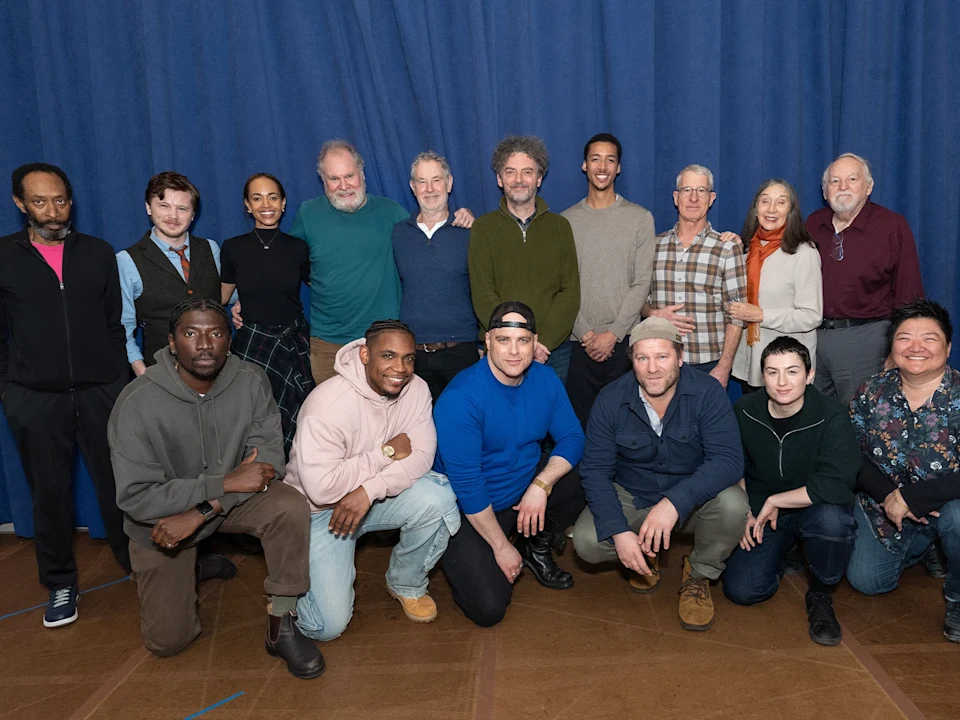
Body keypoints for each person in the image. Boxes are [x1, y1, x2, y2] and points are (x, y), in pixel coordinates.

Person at [109, 298, 324, 678]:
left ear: (230, 339)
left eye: (216, 333)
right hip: (161, 521)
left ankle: (282, 623)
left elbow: (267, 462)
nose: (205, 344)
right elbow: (137, 498)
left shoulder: (251, 379)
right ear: (172, 343)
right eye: (191, 333)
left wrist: (205, 509)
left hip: (221, 506)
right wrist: (224, 481)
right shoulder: (136, 402)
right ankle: (193, 562)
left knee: (288, 505)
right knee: (168, 642)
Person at [0, 163, 130, 627]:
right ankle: (59, 584)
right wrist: (11, 391)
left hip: (102, 392)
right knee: (49, 495)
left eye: (60, 200)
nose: (52, 212)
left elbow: (116, 325)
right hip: (35, 398)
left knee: (121, 486)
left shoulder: (97, 253)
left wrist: (118, 384)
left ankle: (137, 564)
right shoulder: (5, 257)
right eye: (39, 202)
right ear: (20, 204)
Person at [284, 320, 460, 641]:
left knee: (439, 496)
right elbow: (322, 489)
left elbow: (421, 457)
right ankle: (291, 585)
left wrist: (369, 490)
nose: (401, 368)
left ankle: (406, 582)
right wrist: (387, 452)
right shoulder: (327, 405)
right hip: (320, 514)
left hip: (373, 498)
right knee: (327, 627)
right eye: (389, 356)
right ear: (365, 355)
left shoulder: (416, 389)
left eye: (408, 358)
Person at [572, 316, 746, 632]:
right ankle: (643, 553)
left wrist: (674, 503)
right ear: (632, 361)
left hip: (692, 497)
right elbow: (595, 471)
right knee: (586, 542)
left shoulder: (707, 392)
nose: (653, 368)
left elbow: (729, 461)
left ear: (680, 357)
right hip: (634, 492)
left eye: (662, 356)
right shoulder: (611, 399)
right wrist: (620, 532)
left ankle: (699, 574)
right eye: (642, 358)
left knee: (734, 504)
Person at [435, 302, 585, 626]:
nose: (514, 351)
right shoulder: (462, 397)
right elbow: (469, 487)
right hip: (469, 510)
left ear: (535, 342)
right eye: (504, 340)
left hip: (520, 489)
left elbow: (573, 437)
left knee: (578, 476)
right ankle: (495, 546)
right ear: (488, 341)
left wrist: (541, 485)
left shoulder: (545, 379)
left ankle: (535, 545)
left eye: (523, 341)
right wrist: (501, 548)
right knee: (489, 608)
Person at [276, 140, 473, 385]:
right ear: (323, 181)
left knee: (386, 419)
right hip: (328, 342)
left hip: (384, 341)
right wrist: (249, 297)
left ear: (362, 174)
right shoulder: (308, 214)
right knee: (334, 418)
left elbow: (430, 225)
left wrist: (463, 217)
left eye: (349, 175)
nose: (344, 186)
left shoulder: (392, 215)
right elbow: (285, 262)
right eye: (334, 179)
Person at [723, 336, 859, 645]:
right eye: (772, 372)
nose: (782, 381)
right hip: (764, 512)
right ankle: (786, 549)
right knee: (742, 591)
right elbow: (733, 466)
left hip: (815, 506)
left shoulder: (832, 415)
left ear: (810, 375)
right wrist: (744, 509)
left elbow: (837, 483)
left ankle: (821, 593)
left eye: (792, 371)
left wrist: (776, 500)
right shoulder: (745, 410)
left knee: (832, 523)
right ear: (762, 376)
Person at [846, 299, 960, 642]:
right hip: (883, 507)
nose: (916, 348)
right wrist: (888, 496)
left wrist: (914, 496)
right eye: (904, 338)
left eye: (929, 339)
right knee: (868, 582)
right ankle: (930, 546)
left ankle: (957, 596)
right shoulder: (872, 391)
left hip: (948, 504)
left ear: (948, 347)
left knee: (958, 519)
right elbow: (848, 453)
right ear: (892, 346)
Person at [806, 153, 924, 406]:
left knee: (859, 420)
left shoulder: (892, 227)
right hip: (812, 337)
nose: (843, 187)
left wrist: (899, 347)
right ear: (825, 191)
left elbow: (909, 292)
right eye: (835, 181)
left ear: (868, 187)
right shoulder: (813, 224)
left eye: (852, 179)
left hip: (865, 339)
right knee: (814, 418)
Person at [468, 136, 580, 384]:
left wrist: (542, 342)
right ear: (499, 179)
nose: (519, 180)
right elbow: (482, 293)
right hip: (500, 351)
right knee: (500, 421)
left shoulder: (560, 227)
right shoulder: (483, 229)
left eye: (527, 172)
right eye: (510, 172)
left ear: (539, 179)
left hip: (551, 352)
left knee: (547, 421)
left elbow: (569, 293)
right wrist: (515, 341)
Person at [562, 133, 656, 427]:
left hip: (626, 344)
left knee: (627, 428)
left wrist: (613, 334)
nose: (602, 166)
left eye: (610, 160)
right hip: (579, 345)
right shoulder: (565, 221)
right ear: (584, 166)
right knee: (582, 430)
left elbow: (641, 283)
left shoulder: (640, 218)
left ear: (619, 168)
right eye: (595, 159)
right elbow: (562, 285)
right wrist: (587, 334)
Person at [221, 173, 312, 456]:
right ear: (247, 206)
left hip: (293, 344)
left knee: (301, 418)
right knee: (252, 419)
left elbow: (325, 289)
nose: (266, 204)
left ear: (283, 203)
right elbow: (221, 298)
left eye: (273, 197)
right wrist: (237, 305)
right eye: (257, 198)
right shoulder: (233, 247)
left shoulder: (298, 247)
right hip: (252, 345)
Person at [642, 164, 746, 388]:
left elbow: (736, 315)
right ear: (676, 197)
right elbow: (639, 301)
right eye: (687, 190)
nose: (693, 198)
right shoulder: (654, 246)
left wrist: (724, 367)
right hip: (660, 362)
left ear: (712, 198)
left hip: (708, 364)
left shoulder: (726, 248)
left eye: (702, 191)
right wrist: (655, 313)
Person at [117, 172, 224, 376]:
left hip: (216, 370)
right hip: (161, 373)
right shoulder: (126, 260)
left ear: (193, 215)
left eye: (182, 209)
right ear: (149, 207)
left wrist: (239, 302)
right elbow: (124, 327)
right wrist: (142, 373)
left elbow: (225, 295)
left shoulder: (211, 249)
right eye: (164, 206)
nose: (173, 216)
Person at [392, 151, 478, 401]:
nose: (430, 189)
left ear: (449, 183)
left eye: (437, 180)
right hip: (411, 355)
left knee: (463, 429)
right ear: (412, 187)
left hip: (460, 352)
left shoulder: (471, 231)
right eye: (422, 181)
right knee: (418, 433)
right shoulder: (399, 233)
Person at [730, 179, 822, 392]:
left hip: (786, 368)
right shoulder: (746, 251)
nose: (771, 209)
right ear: (756, 208)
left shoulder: (804, 253)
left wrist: (762, 315)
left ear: (791, 211)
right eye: (765, 201)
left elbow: (811, 316)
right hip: (752, 362)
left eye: (781, 202)